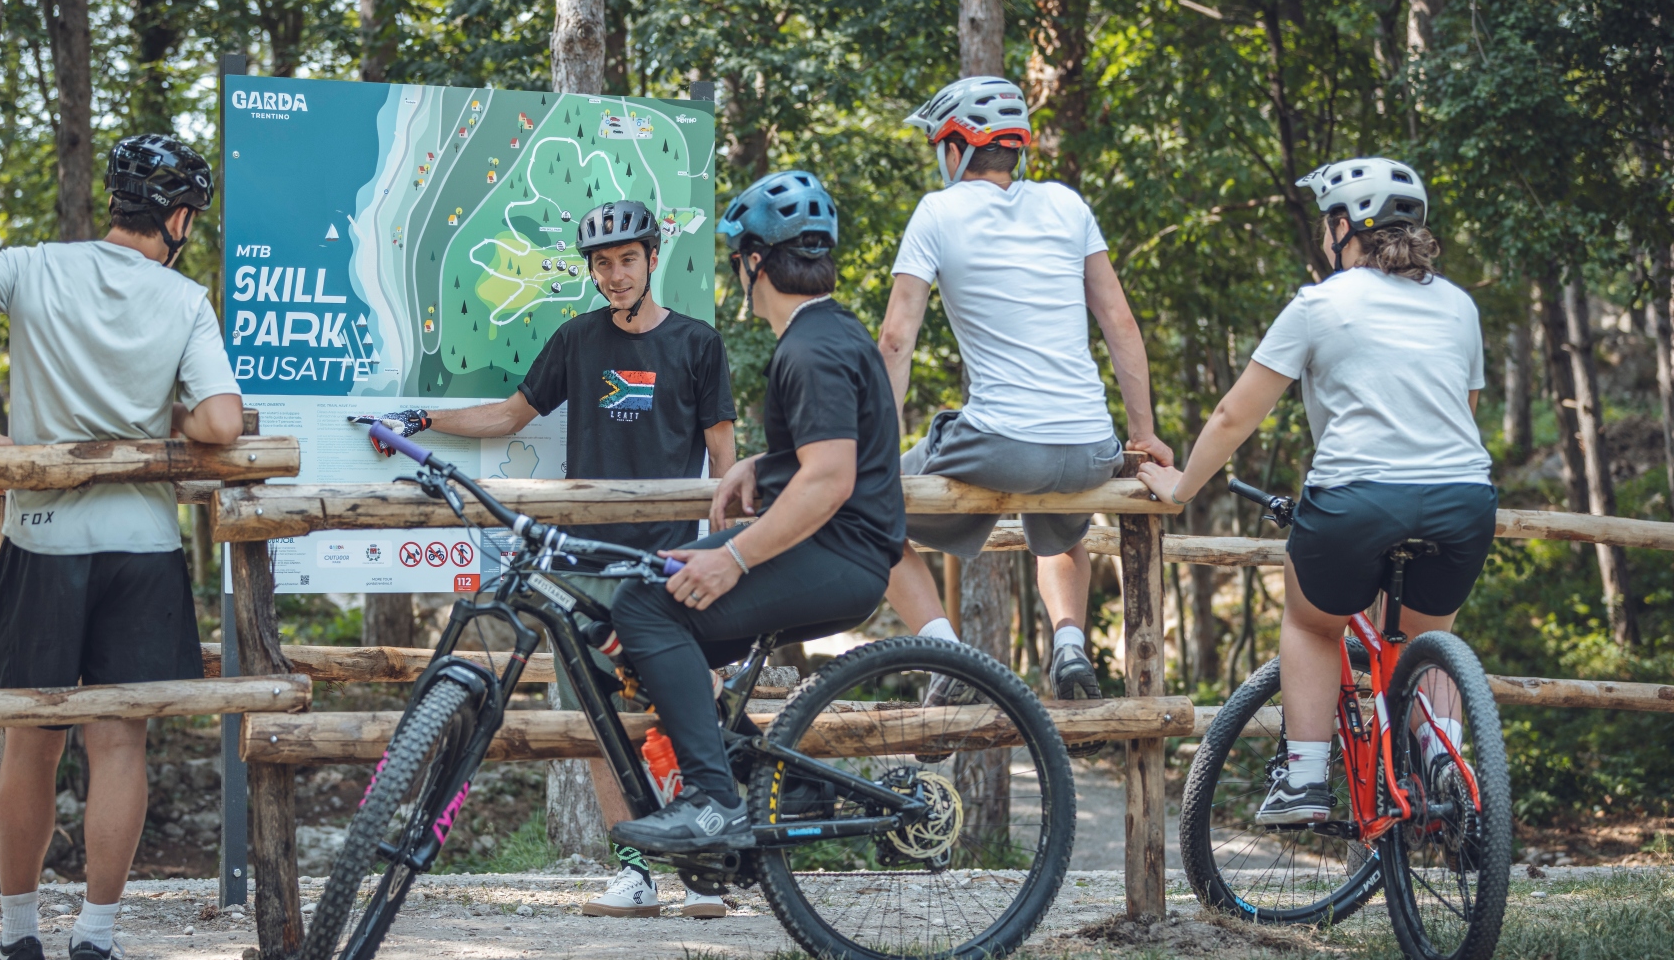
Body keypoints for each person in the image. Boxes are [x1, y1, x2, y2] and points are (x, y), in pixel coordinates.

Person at [0, 134, 243, 960]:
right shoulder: (183, 299)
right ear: (175, 218)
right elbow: (220, 424)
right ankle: (95, 938)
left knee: (28, 738)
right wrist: (163, 424)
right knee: (118, 741)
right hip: (140, 546)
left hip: (42, 537)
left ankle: (18, 937)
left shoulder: (34, 266)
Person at [373, 198, 737, 914]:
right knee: (592, 720)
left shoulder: (698, 342)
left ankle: (706, 866)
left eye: (627, 259)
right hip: (583, 562)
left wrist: (727, 552)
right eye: (603, 263)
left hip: (669, 560)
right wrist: (419, 418)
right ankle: (634, 871)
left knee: (688, 708)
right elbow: (509, 415)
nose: (615, 275)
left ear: (652, 258)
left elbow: (726, 461)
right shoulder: (578, 339)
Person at [1137, 157, 1495, 824]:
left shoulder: (1320, 304)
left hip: (1355, 498)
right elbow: (1462, 410)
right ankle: (1446, 761)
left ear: (1343, 226)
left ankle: (1303, 777)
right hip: (1461, 499)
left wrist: (1180, 485)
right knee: (1427, 632)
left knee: (1310, 620)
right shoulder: (1458, 305)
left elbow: (1233, 416)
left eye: (1327, 223)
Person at [606, 170, 908, 854]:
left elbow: (830, 479)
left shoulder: (809, 348)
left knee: (648, 608)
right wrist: (763, 465)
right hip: (841, 551)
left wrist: (731, 558)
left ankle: (712, 801)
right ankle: (784, 780)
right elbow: (827, 453)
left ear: (751, 262)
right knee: (649, 638)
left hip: (841, 556)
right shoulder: (830, 333)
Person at [877, 76, 1172, 709]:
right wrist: (1142, 433)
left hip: (1002, 443)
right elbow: (1119, 323)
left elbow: (896, 341)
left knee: (864, 516)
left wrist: (870, 450)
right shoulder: (1068, 206)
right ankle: (1069, 642)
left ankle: (945, 656)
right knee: (1061, 528)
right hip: (1088, 445)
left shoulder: (937, 211)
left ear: (955, 148)